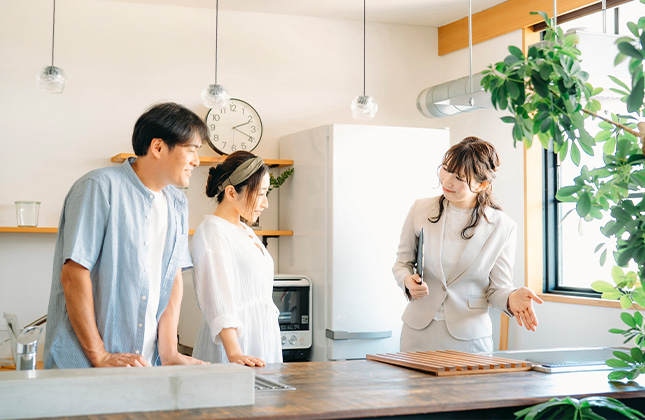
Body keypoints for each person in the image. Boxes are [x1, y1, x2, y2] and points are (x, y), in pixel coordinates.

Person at [44, 102, 208, 368]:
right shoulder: (99, 187)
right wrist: (100, 354)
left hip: (144, 364)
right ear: (157, 147)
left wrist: (168, 353)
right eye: (191, 150)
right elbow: (74, 275)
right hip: (82, 363)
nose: (196, 161)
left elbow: (172, 278)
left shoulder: (177, 203)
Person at [392, 136, 543, 353]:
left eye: (460, 178)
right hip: (418, 333)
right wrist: (407, 280)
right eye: (446, 169)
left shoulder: (503, 226)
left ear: (482, 184)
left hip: (469, 339)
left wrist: (511, 298)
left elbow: (496, 289)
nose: (447, 181)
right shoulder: (421, 209)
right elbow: (401, 263)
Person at [191, 151, 282, 366]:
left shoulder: (244, 230)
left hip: (261, 342)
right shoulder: (211, 232)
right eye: (260, 194)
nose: (265, 203)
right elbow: (217, 298)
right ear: (231, 193)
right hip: (234, 347)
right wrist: (234, 354)